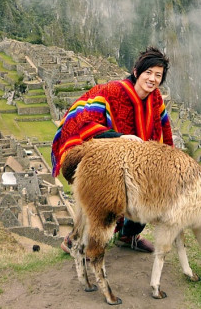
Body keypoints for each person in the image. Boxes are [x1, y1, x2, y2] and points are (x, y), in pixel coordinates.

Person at [52, 46, 173, 253]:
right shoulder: (113, 92)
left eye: (158, 75)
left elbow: (163, 129)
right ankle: (75, 238)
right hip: (104, 156)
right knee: (103, 197)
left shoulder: (156, 99)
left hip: (134, 162)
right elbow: (85, 122)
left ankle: (128, 235)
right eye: (148, 73)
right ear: (136, 72)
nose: (152, 79)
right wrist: (119, 137)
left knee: (153, 187)